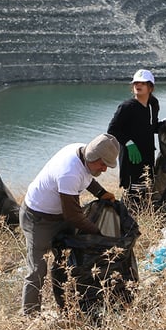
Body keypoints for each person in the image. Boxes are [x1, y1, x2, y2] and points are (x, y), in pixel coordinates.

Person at [20, 134, 119, 315]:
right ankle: (30, 316)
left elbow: (87, 177)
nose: (104, 169)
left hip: (58, 216)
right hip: (37, 219)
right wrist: (99, 232)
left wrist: (101, 193)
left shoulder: (83, 151)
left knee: (66, 263)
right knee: (37, 270)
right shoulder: (69, 173)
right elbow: (73, 216)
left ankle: (67, 307)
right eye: (103, 164)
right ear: (93, 157)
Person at [107, 69, 162, 202]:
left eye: (143, 83)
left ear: (150, 87)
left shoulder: (153, 104)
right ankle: (127, 215)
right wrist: (129, 143)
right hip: (131, 156)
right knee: (132, 190)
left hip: (147, 154)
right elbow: (112, 129)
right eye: (136, 83)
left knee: (146, 188)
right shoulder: (127, 107)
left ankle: (142, 215)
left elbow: (151, 126)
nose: (138, 85)